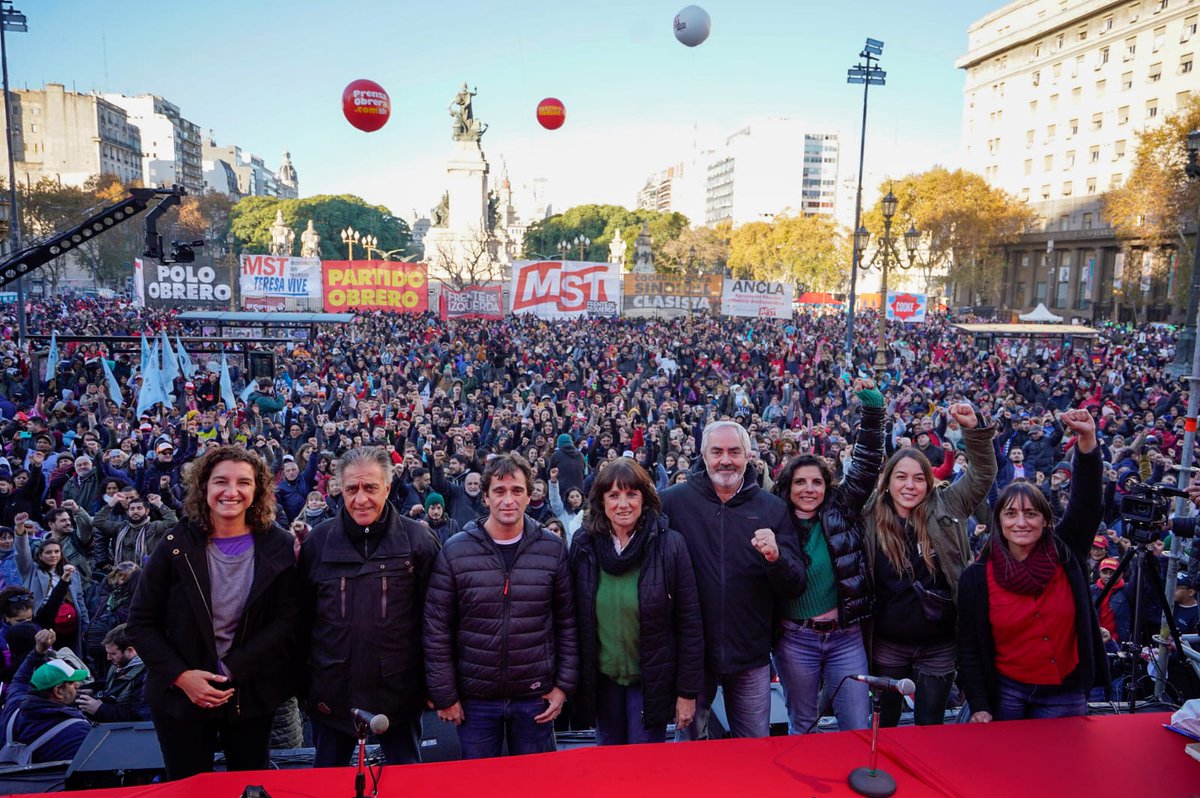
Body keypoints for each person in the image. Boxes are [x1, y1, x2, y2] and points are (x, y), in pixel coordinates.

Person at [126, 446, 300, 781]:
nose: (231, 491)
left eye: (243, 482)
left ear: (257, 490)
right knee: (189, 786)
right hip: (179, 698)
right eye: (221, 481)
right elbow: (141, 624)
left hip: (248, 694)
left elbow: (287, 620)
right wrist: (181, 676)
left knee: (248, 784)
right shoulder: (175, 544)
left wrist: (234, 667)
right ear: (204, 487)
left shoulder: (278, 545)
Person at [424, 453, 578, 759]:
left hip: (535, 696)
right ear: (485, 496)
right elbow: (436, 629)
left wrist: (563, 687)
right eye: (499, 491)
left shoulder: (552, 548)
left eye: (517, 491)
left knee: (535, 786)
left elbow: (567, 623)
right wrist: (445, 694)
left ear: (529, 494)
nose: (508, 500)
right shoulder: (455, 550)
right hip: (475, 700)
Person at [660, 420, 806, 740]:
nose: (726, 459)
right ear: (703, 454)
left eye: (734, 452)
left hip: (750, 652)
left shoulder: (772, 508)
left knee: (752, 747)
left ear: (749, 456)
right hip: (693, 654)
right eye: (717, 451)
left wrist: (776, 558)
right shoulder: (672, 502)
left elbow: (796, 584)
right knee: (688, 747)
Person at [957, 409, 1105, 721]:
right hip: (1007, 693)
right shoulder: (977, 578)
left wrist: (1088, 441)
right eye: (1011, 514)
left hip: (1065, 691)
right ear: (998, 522)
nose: (1021, 522)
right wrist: (981, 705)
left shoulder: (1067, 554)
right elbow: (969, 649)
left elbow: (1087, 503)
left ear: (1046, 519)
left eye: (1031, 514)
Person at [297, 446, 441, 767]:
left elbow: (435, 621)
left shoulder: (418, 541)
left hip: (399, 693)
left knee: (407, 786)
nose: (361, 499)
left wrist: (433, 684)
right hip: (333, 695)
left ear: (387, 488)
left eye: (370, 488)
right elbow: (302, 621)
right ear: (339, 490)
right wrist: (305, 688)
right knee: (328, 786)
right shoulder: (317, 544)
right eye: (352, 489)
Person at [863, 402, 996, 727]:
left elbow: (983, 475)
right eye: (901, 477)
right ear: (887, 481)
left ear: (929, 482)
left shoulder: (948, 503)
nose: (909, 486)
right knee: (885, 725)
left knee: (930, 725)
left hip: (939, 644)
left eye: (918, 479)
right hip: (887, 643)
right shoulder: (868, 516)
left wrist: (973, 431)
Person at [769, 379, 885, 734]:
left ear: (827, 486)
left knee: (856, 723)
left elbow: (866, 464)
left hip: (845, 637)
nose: (809, 489)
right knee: (803, 724)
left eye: (816, 482)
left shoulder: (841, 510)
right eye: (800, 482)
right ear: (788, 488)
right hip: (795, 639)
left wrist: (874, 410)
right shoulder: (774, 519)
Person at [569, 458, 703, 745]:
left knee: (645, 772)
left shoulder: (670, 545)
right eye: (613, 495)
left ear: (645, 498)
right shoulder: (584, 545)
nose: (623, 503)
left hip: (650, 683)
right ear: (601, 501)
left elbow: (690, 624)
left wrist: (687, 693)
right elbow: (571, 620)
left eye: (631, 494)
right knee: (609, 769)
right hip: (603, 684)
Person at [0, 628, 91, 765]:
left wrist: (39, 651)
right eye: (72, 683)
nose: (78, 685)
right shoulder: (79, 731)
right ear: (58, 691)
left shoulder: (14, 705)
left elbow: (20, 679)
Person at [14, 518, 88, 653]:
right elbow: (22, 553)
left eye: (56, 552)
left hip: (68, 623)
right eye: (48, 552)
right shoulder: (31, 570)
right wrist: (20, 529)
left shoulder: (71, 571)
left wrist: (84, 624)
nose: (53, 555)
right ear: (40, 556)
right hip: (42, 620)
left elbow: (79, 599)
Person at [76, 623, 150, 722]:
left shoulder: (148, 677)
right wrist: (92, 691)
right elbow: (109, 685)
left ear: (130, 651)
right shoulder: (120, 664)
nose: (108, 658)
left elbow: (140, 719)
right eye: (107, 653)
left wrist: (99, 709)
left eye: (113, 654)